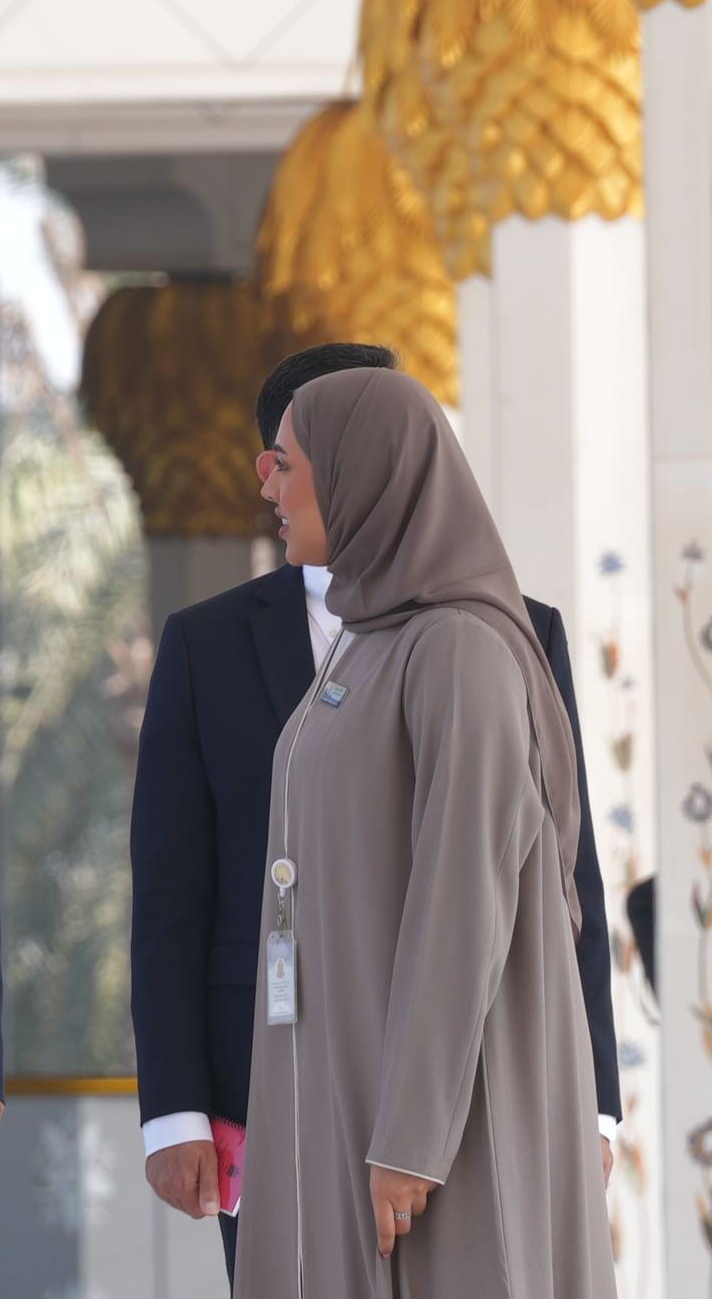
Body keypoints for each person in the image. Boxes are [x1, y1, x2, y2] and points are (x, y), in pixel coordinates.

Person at [202, 360, 689, 1299]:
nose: (268, 483)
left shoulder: (467, 656)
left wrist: (410, 1132)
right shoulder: (366, 648)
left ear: (364, 470)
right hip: (333, 1101)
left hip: (440, 1129)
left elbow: (469, 906)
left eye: (285, 459)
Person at [131, 340, 620, 1248]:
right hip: (264, 1079)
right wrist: (176, 1110)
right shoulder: (204, 643)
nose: (276, 487)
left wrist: (592, 1099)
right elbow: (170, 892)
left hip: (466, 1080)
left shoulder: (509, 632)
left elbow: (562, 874)